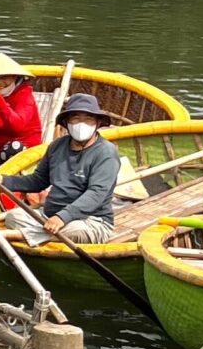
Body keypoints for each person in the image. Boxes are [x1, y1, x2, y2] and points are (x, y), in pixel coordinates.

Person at [10, 90, 121, 241]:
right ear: (67, 123)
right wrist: (3, 181)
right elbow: (38, 181)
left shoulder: (106, 152)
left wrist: (62, 217)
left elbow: (96, 193)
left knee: (76, 231)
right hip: (48, 216)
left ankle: (18, 236)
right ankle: (38, 235)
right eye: (75, 119)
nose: (81, 124)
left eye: (88, 119)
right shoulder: (57, 146)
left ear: (97, 123)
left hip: (89, 220)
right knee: (13, 217)